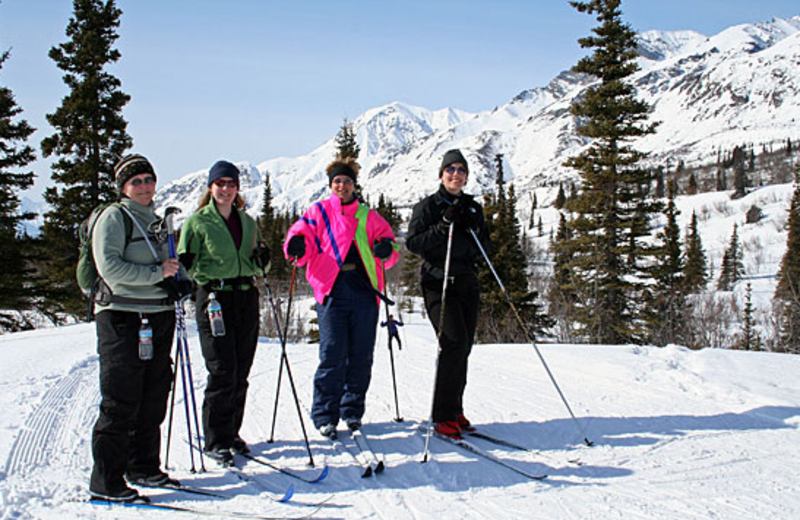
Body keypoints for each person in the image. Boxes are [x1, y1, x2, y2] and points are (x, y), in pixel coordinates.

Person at [89, 153, 187, 502]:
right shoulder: (114, 217)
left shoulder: (157, 221)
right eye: (136, 181)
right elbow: (110, 268)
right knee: (121, 398)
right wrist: (156, 276)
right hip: (121, 316)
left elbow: (170, 264)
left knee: (153, 395)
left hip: (157, 315)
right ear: (123, 187)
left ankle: (143, 466)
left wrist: (181, 280)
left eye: (149, 179)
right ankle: (106, 480)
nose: (145, 186)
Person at [284, 156, 399, 439]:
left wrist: (386, 250)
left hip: (363, 289)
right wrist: (296, 245)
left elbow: (389, 246)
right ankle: (325, 414)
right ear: (330, 185)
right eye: (337, 181)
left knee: (361, 354)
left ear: (354, 184)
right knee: (332, 353)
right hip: (332, 288)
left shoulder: (368, 216)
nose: (342, 185)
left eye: (347, 181)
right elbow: (301, 237)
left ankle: (352, 411)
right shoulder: (319, 212)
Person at [177, 160, 270, 466]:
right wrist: (182, 275)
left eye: (231, 184)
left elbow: (259, 266)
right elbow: (183, 264)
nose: (226, 189)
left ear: (238, 188)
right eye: (221, 184)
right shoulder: (198, 222)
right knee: (222, 369)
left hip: (245, 296)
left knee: (241, 370)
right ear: (211, 187)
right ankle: (216, 439)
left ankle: (232, 433)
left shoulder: (247, 222)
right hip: (214, 297)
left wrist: (264, 260)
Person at [406, 149, 490, 439]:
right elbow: (414, 244)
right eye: (450, 170)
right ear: (441, 175)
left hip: (467, 281)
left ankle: (455, 409)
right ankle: (442, 415)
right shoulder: (428, 206)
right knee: (452, 343)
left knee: (464, 346)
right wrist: (442, 226)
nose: (456, 174)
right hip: (437, 282)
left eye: (461, 170)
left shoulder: (472, 207)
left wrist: (473, 229)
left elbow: (486, 248)